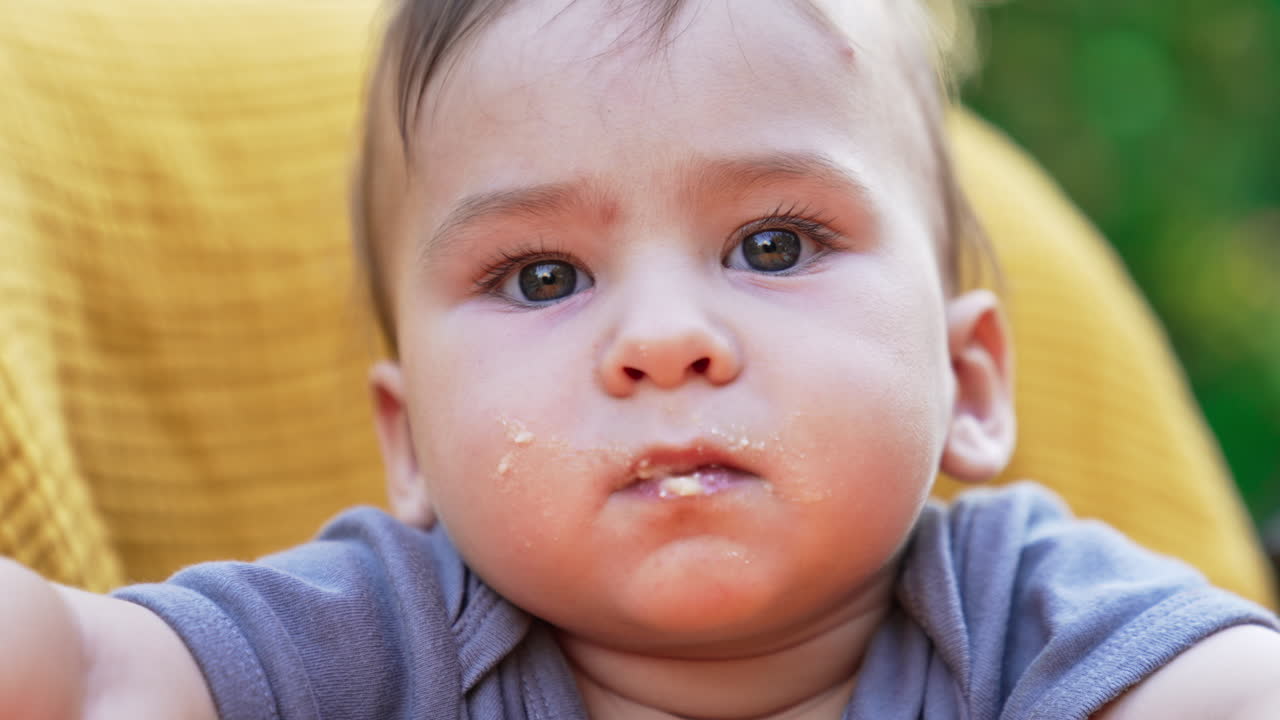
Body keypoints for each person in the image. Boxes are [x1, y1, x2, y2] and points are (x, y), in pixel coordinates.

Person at [2, 0, 1278, 718]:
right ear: (410, 440)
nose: (664, 341)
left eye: (772, 245)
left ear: (973, 384)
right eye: (541, 277)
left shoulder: (1033, 624)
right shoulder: (380, 641)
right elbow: (82, 674)